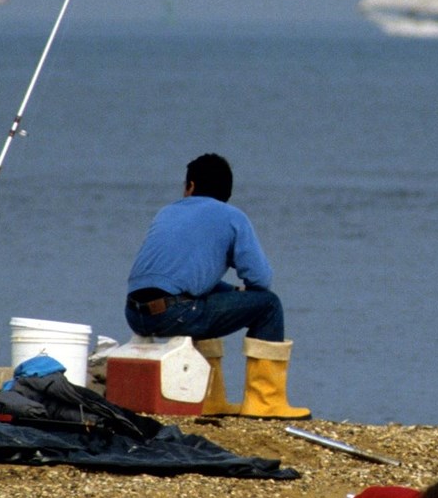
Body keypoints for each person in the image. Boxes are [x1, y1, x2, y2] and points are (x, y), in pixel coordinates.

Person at [124, 153, 309, 420]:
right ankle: (265, 402)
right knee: (269, 304)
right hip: (177, 313)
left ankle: (207, 398)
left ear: (190, 186)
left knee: (201, 298)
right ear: (228, 192)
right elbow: (260, 279)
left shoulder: (167, 211)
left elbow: (176, 279)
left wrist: (231, 293)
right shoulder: (232, 216)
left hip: (136, 315)